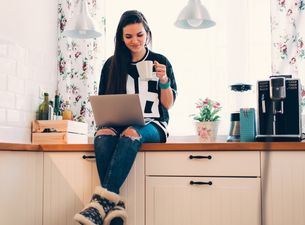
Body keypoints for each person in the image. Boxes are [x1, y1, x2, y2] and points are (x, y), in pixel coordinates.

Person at [74, 10, 177, 225]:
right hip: (118, 123)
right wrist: (106, 123)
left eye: (139, 35)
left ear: (147, 33)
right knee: (102, 134)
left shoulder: (160, 62)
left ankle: (100, 204)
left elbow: (168, 104)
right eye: (128, 36)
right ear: (121, 38)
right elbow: (103, 104)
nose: (135, 41)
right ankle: (115, 209)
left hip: (153, 124)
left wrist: (164, 80)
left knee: (132, 133)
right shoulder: (111, 65)